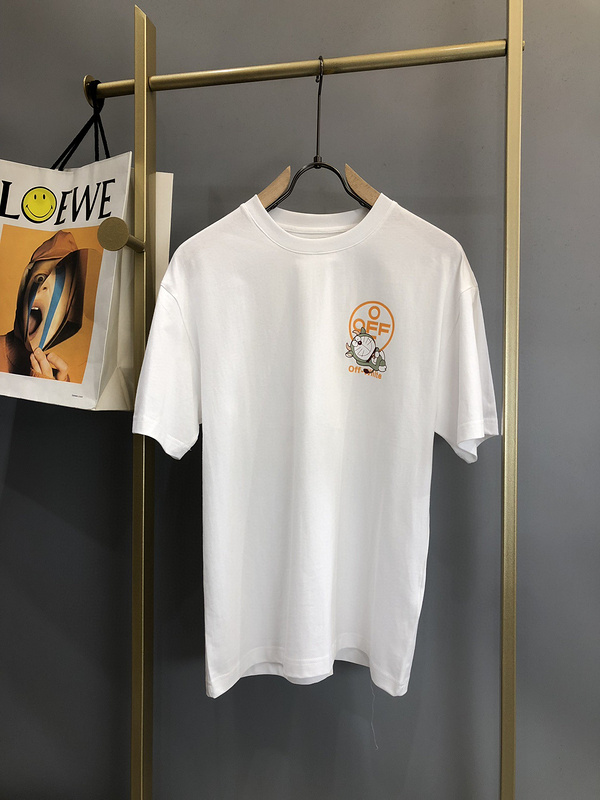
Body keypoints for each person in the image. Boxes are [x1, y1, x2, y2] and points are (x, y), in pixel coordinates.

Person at [0, 229, 88, 381]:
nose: (43, 287)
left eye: (60, 286)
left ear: (69, 308)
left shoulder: (58, 379)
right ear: (24, 288)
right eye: (40, 278)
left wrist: (57, 391)